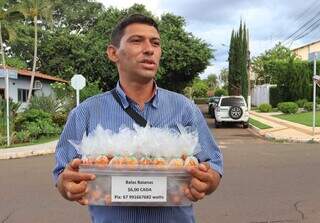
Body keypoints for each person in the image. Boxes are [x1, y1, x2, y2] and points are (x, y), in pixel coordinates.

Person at [53, 14, 223, 223]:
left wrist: (207, 181)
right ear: (113, 53)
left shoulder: (185, 109)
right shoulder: (85, 113)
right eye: (136, 41)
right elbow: (62, 174)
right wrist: (67, 185)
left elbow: (213, 166)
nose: (149, 49)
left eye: (155, 43)